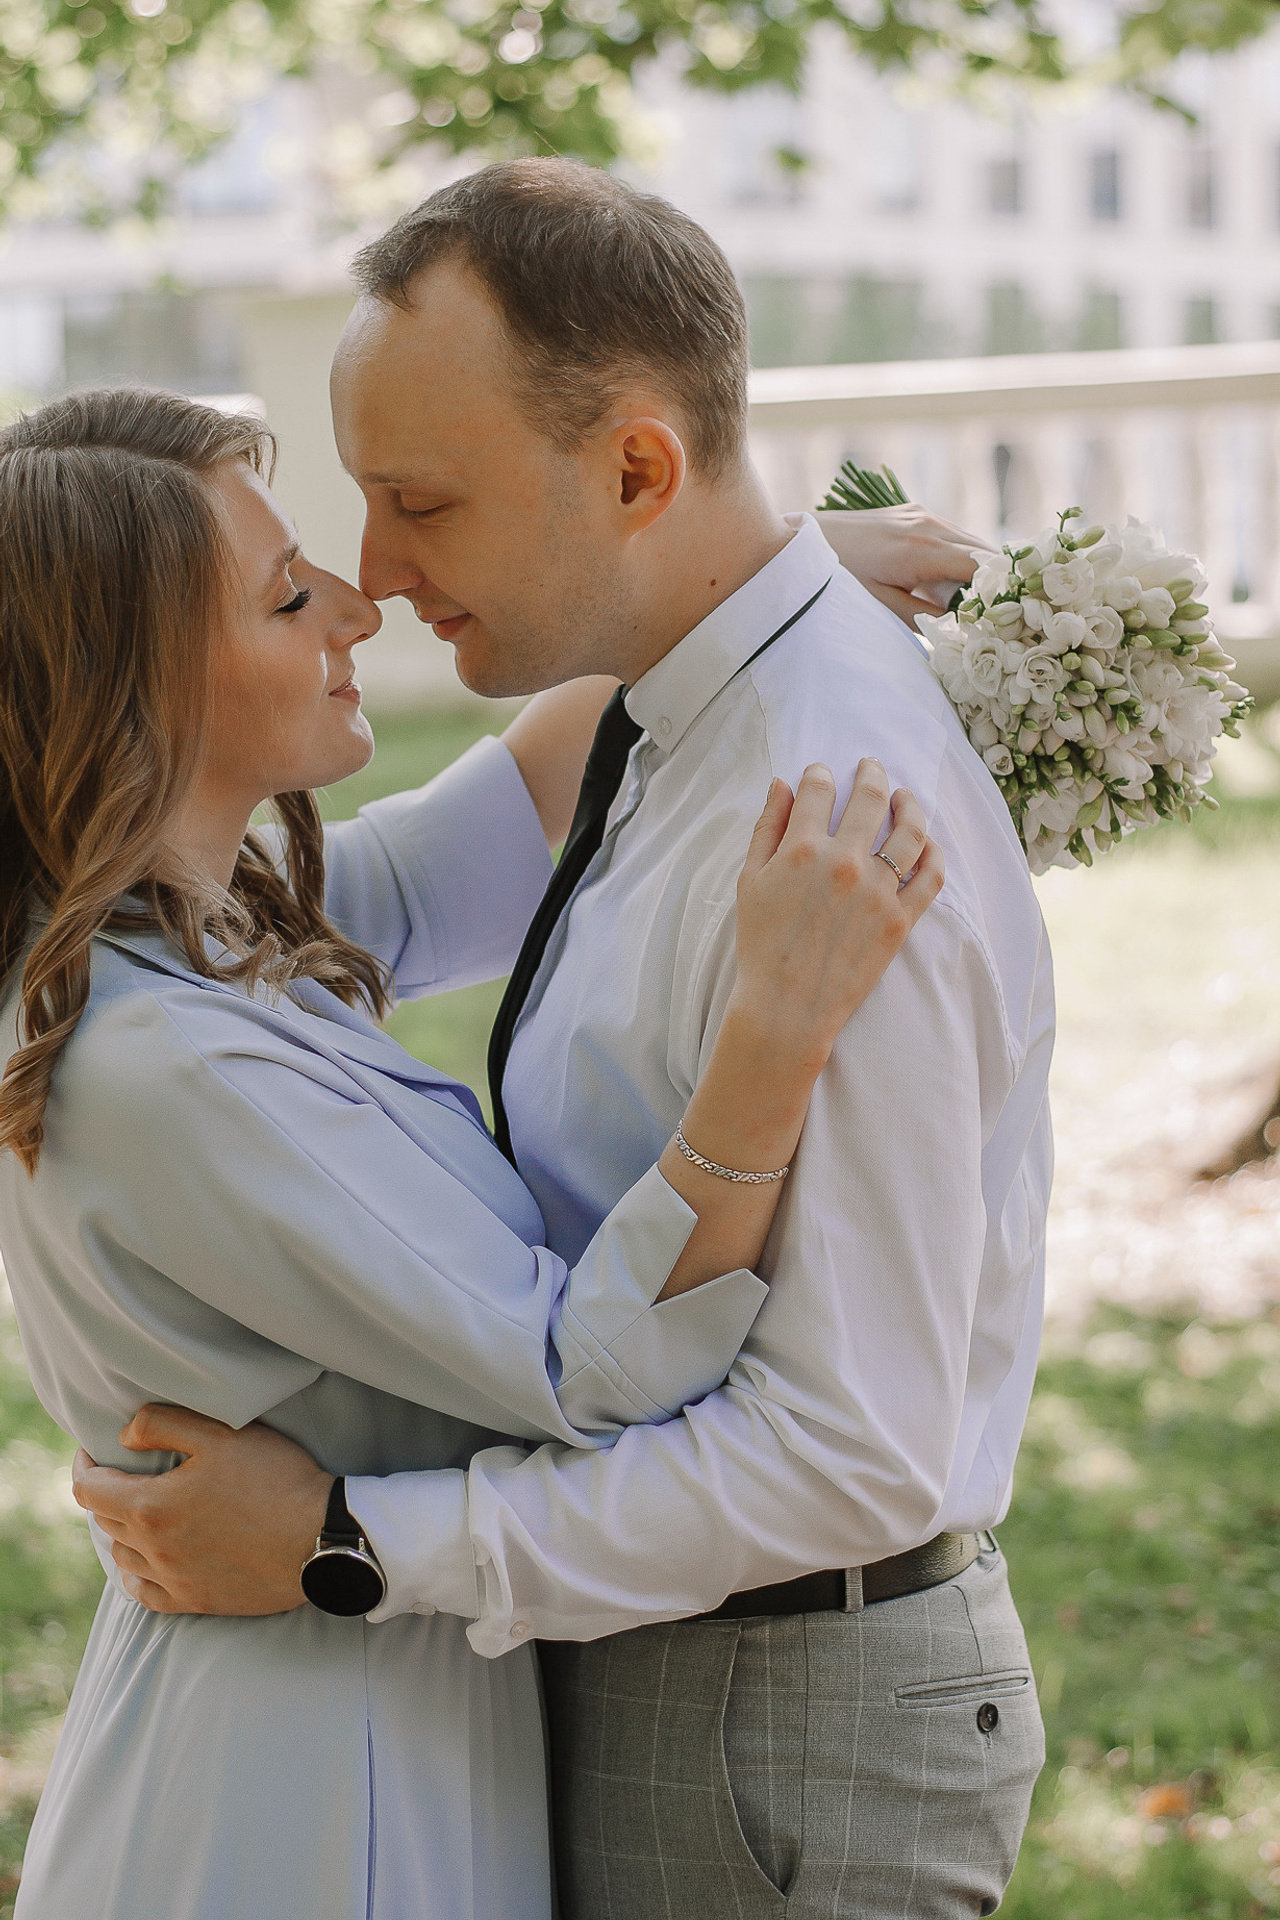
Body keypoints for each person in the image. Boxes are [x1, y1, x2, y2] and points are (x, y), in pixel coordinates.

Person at [78, 162, 1053, 1918]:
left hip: (776, 1725)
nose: (370, 585)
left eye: (415, 504)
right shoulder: (668, 706)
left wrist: (349, 1549)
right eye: (308, 568)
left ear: (633, 474)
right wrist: (754, 574)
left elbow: (854, 1450)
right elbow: (428, 869)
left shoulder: (832, 831)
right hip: (602, 1687)